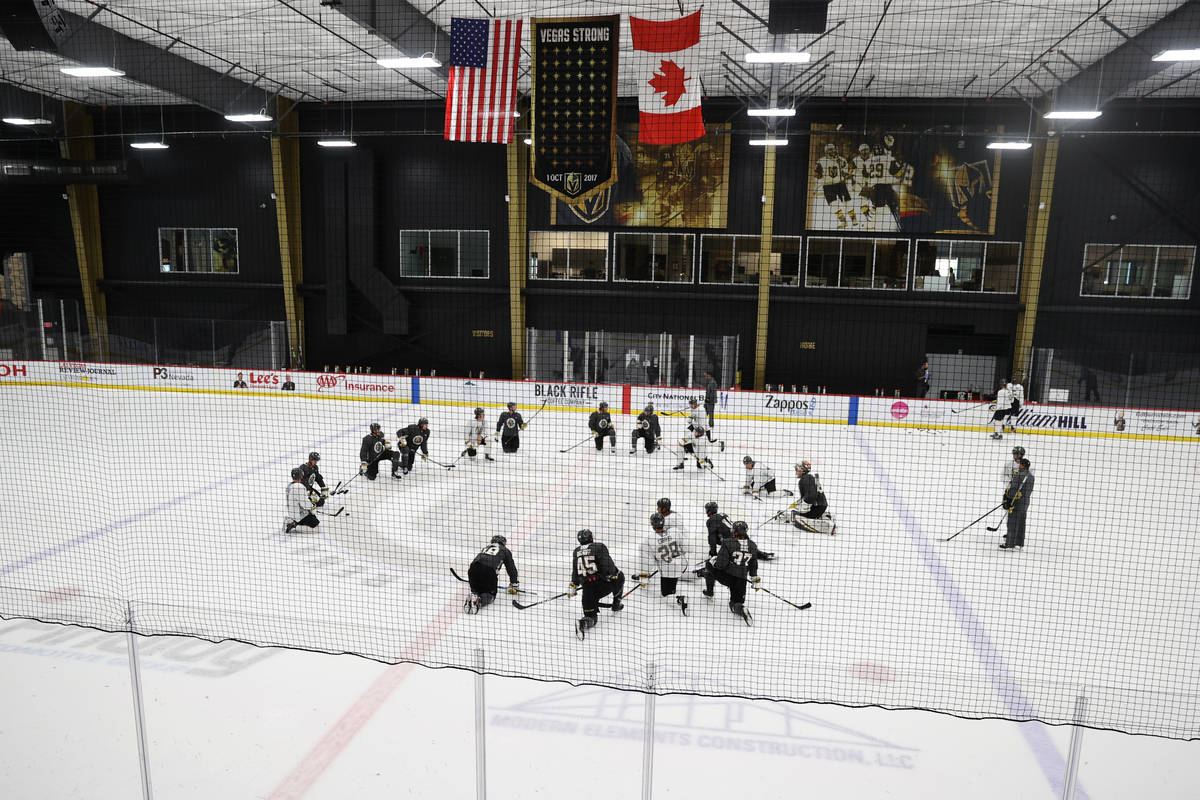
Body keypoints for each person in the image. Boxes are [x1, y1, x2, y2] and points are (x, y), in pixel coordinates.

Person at [569, 529, 625, 638]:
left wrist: (573, 585)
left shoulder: (576, 551)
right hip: (602, 585)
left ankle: (582, 623)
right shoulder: (599, 546)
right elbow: (608, 566)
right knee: (620, 576)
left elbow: (575, 571)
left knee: (591, 618)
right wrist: (611, 574)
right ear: (591, 538)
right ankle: (616, 604)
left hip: (587, 589)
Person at [702, 520, 760, 623]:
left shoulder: (728, 542)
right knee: (735, 603)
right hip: (741, 580)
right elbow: (753, 564)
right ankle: (740, 608)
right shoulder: (752, 545)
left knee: (708, 564)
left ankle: (709, 592)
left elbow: (720, 565)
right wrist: (755, 579)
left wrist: (713, 561)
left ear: (735, 532)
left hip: (727, 577)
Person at [637, 513, 689, 614]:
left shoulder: (648, 540)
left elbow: (646, 564)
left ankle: (679, 599)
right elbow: (687, 548)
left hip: (667, 572)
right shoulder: (675, 531)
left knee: (665, 595)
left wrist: (643, 581)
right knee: (673, 582)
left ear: (652, 524)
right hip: (681, 566)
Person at [465, 534, 519, 613]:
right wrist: (514, 584)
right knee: (490, 595)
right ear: (503, 543)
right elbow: (511, 569)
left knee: (477, 589)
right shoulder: (505, 550)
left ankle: (473, 595)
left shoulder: (486, 548)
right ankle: (479, 601)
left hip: (473, 569)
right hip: (488, 572)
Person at [789, 461, 836, 535]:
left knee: (797, 517)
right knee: (796, 513)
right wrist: (797, 503)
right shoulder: (809, 478)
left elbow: (811, 496)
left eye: (797, 470)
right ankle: (824, 516)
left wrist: (803, 507)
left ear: (802, 470)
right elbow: (808, 495)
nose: (796, 472)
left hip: (816, 507)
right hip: (820, 506)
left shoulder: (805, 479)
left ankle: (827, 526)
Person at [1000, 458, 1034, 550]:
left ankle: (1010, 544)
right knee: (1021, 522)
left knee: (1012, 522)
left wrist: (1008, 499)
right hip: (1025, 503)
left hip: (1016, 502)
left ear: (1023, 465)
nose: (1019, 466)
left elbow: (1014, 489)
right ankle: (1019, 543)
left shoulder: (1019, 475)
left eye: (1020, 464)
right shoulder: (1031, 476)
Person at [284, 467, 319, 532]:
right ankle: (295, 525)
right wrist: (312, 507)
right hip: (300, 515)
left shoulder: (289, 486)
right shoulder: (299, 487)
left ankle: (292, 521)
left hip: (292, 513)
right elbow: (305, 504)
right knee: (316, 525)